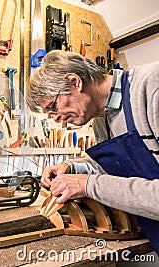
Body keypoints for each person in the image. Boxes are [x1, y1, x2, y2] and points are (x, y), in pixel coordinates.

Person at [26, 50, 159, 253]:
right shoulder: (101, 117)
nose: (55, 118)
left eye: (53, 107)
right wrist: (71, 167)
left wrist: (87, 184)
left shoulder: (151, 88)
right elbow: (121, 167)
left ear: (74, 82)